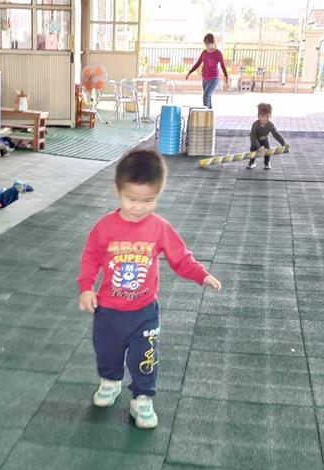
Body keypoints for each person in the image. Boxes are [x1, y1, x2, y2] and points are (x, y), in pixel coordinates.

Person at [77, 149, 222, 429]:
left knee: (146, 356)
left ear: (158, 194)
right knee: (107, 351)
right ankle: (110, 381)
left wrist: (201, 275)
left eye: (148, 200)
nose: (139, 207)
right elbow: (90, 258)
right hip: (108, 310)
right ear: (117, 191)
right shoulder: (104, 228)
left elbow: (181, 258)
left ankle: (142, 398)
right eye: (131, 199)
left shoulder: (159, 228)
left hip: (144, 311)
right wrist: (86, 288)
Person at [185, 33, 229, 109]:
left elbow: (222, 65)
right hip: (205, 78)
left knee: (206, 96)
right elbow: (198, 63)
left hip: (214, 78)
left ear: (213, 42)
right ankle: (210, 114)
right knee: (208, 97)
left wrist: (226, 76)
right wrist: (189, 73)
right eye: (206, 44)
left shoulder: (218, 53)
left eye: (208, 43)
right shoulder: (204, 53)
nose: (207, 46)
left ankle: (205, 113)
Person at [247, 102, 288, 169]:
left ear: (270, 116)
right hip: (255, 140)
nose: (265, 119)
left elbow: (276, 135)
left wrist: (284, 144)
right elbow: (253, 138)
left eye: (267, 116)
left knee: (267, 150)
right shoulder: (255, 125)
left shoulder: (270, 125)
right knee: (253, 150)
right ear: (258, 116)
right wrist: (260, 148)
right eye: (262, 116)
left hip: (264, 139)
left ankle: (267, 163)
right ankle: (252, 162)